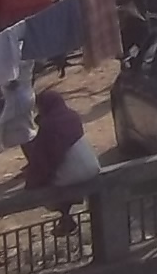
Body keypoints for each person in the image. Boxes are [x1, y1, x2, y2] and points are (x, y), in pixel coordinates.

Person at [20, 89, 99, 231]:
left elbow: (46, 159)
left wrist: (31, 184)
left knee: (49, 186)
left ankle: (66, 219)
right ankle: (66, 219)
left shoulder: (50, 126)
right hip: (93, 165)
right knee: (60, 175)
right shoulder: (72, 116)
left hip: (74, 172)